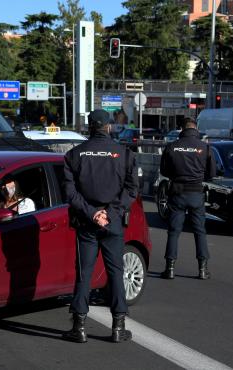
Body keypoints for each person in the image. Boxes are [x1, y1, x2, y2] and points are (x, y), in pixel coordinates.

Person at [62, 109, 138, 343]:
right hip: (113, 223)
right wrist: (111, 213)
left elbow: (70, 192)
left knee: (84, 273)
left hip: (87, 223)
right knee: (116, 272)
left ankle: (79, 326)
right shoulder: (124, 154)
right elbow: (132, 189)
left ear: (89, 127)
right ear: (108, 126)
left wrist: (92, 214)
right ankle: (118, 326)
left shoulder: (74, 155)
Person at [160, 117, 216, 280]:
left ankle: (169, 268)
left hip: (177, 193)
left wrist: (177, 176)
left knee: (173, 231)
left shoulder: (172, 147)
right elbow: (211, 173)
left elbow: (164, 171)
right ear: (196, 129)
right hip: (196, 193)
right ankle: (203, 270)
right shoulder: (204, 147)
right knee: (200, 231)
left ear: (181, 129)